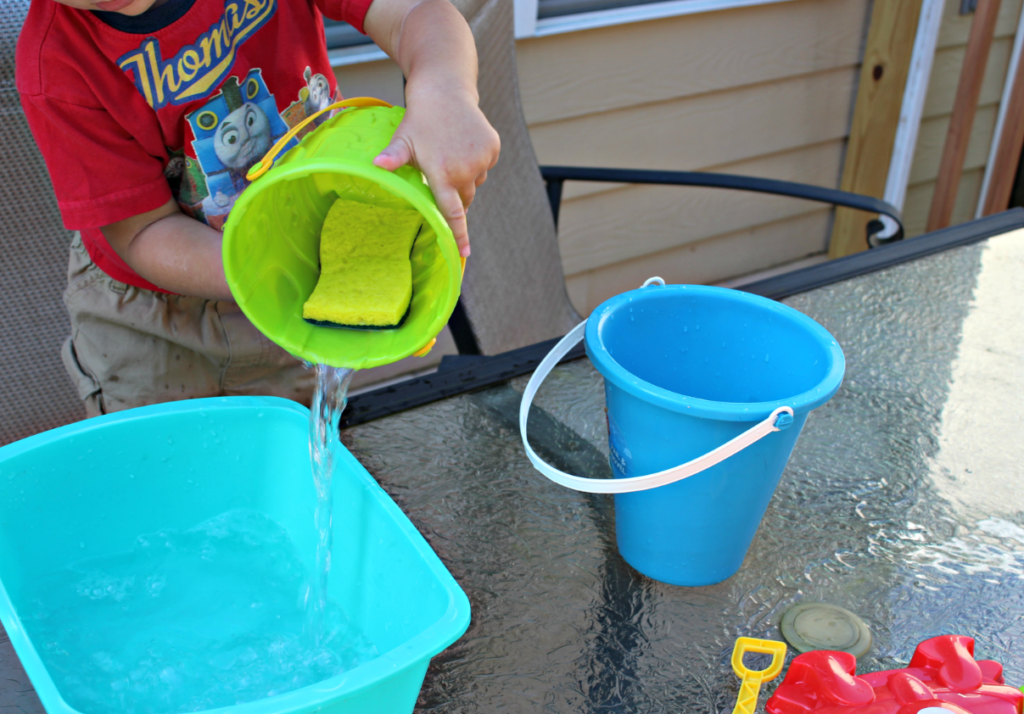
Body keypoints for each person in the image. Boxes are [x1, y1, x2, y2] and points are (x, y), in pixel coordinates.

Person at [16, 0, 500, 416]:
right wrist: (277, 271)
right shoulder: (56, 63)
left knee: (292, 463)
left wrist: (446, 91)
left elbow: (415, 12)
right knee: (161, 490)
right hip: (149, 323)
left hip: (296, 260)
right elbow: (143, 232)